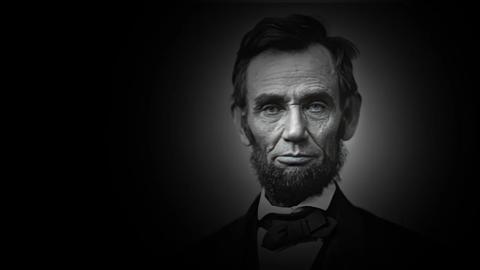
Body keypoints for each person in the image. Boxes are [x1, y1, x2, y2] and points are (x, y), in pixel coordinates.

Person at [181, 14, 442, 270]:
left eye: (316, 105)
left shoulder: (413, 257)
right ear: (241, 124)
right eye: (271, 108)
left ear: (349, 117)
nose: (295, 131)